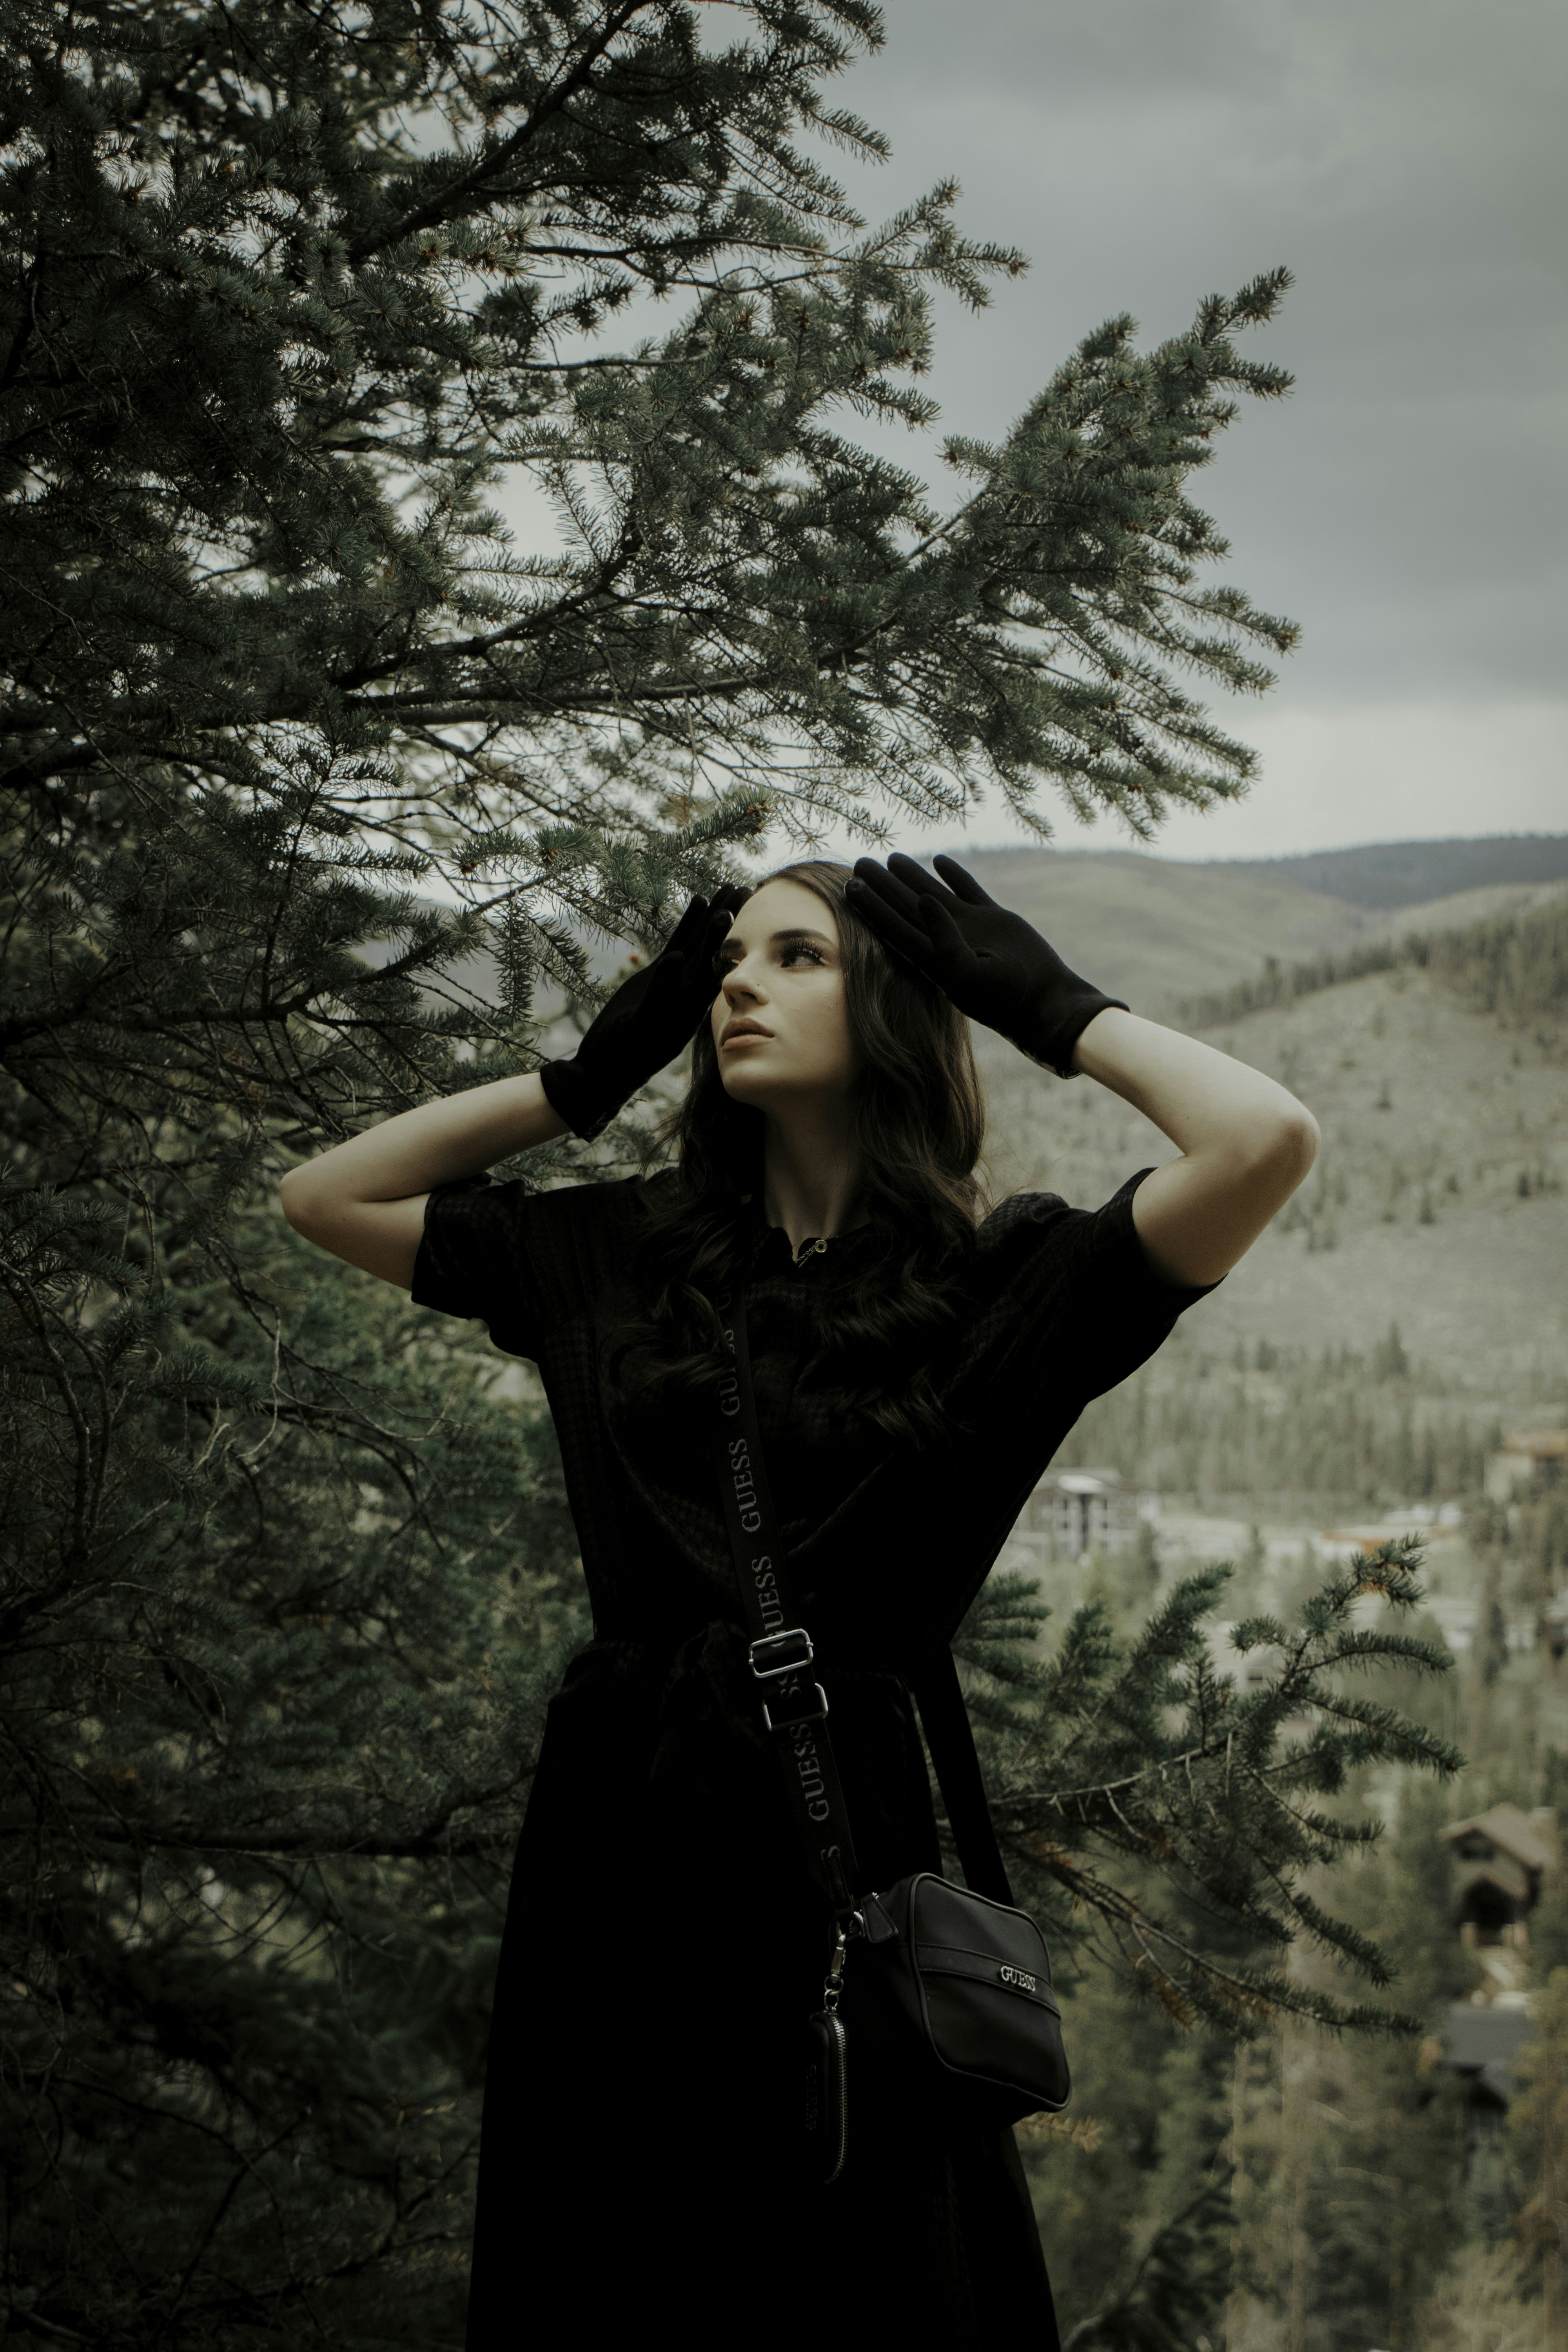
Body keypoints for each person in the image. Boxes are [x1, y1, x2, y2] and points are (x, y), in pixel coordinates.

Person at [280, 853, 1318, 2347]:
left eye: (798, 957)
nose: (738, 987)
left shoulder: (999, 1289)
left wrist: (1049, 1004)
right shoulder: (620, 1257)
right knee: (611, 2279)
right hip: (618, 1844)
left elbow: (1264, 1140)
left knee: (859, 2281)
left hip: (845, 1856)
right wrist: (581, 1078)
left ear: (894, 1005)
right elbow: (325, 1194)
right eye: (725, 966)